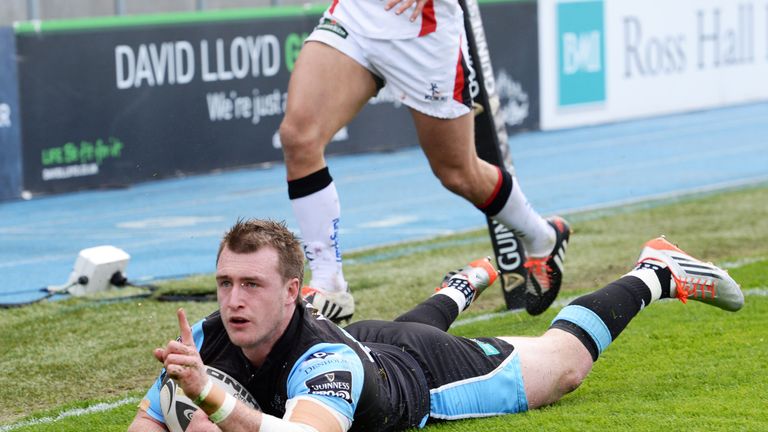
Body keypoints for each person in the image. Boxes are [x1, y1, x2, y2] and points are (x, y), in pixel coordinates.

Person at [128, 218, 743, 432]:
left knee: (564, 369)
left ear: (292, 292)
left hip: (421, 373)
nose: (234, 300)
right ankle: (464, 283)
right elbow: (150, 421)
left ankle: (658, 270)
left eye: (253, 284)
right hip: (371, 341)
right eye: (226, 283)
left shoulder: (324, 362)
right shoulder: (208, 338)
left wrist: (205, 393)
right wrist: (177, 396)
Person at [279, 0, 570, 321]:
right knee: (299, 137)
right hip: (355, 18)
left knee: (458, 172)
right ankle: (328, 284)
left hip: (424, 35)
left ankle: (542, 237)